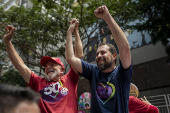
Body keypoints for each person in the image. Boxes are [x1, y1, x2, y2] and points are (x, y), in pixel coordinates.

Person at [3, 18, 83, 113]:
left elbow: (79, 57)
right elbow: (20, 65)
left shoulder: (70, 79)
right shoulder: (37, 82)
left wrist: (76, 31)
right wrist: (7, 42)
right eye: (46, 66)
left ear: (62, 70)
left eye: (52, 64)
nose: (48, 67)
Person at [66, 5, 133, 113]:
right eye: (97, 54)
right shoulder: (93, 71)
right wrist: (70, 32)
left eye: (103, 52)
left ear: (114, 56)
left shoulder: (122, 73)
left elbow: (124, 48)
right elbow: (70, 58)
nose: (98, 56)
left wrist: (107, 17)